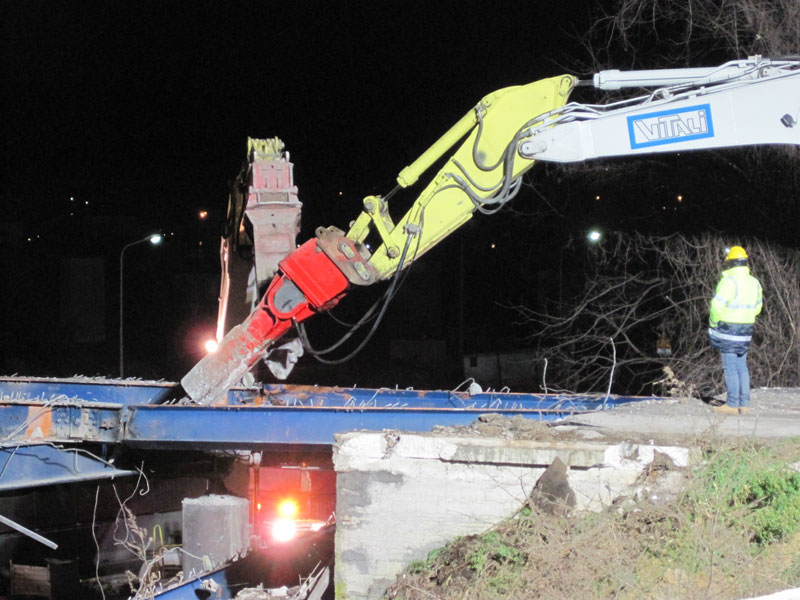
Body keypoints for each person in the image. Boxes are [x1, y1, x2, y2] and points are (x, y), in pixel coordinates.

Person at [708, 245, 763, 415]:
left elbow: (716, 306)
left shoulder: (728, 281)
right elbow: (758, 307)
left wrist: (713, 322)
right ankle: (744, 404)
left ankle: (732, 405)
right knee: (741, 367)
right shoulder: (754, 282)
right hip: (746, 328)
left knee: (730, 367)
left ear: (730, 263)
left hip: (729, 328)